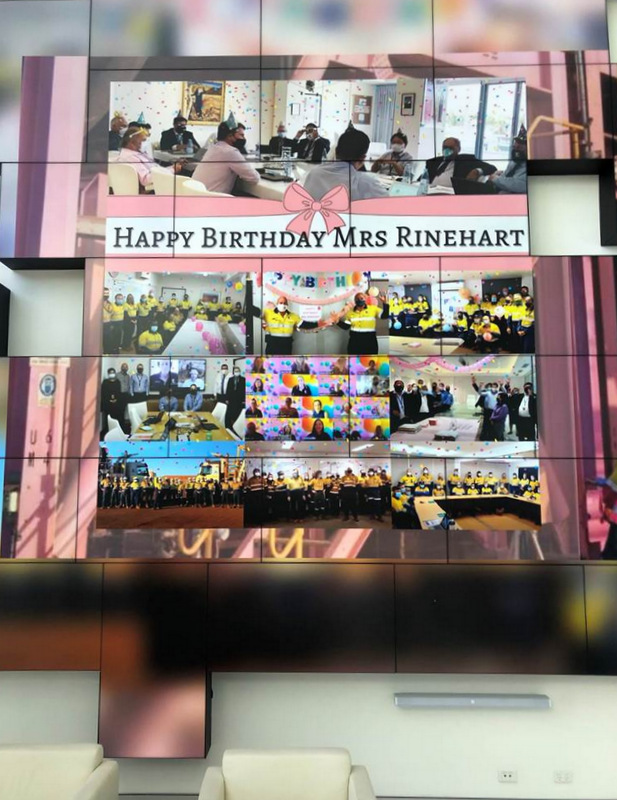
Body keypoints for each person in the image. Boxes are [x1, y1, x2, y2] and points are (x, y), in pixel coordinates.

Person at [303, 126, 388, 201]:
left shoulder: (314, 174)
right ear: (362, 158)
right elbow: (390, 206)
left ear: (336, 151)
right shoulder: (367, 183)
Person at [192, 121, 260, 195]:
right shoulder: (230, 151)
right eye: (241, 135)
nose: (243, 138)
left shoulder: (213, 148)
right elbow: (254, 178)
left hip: (196, 196)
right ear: (230, 136)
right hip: (211, 199)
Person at [116, 126, 182, 191]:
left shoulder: (133, 154)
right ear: (132, 142)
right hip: (151, 189)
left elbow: (154, 169)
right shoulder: (131, 157)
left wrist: (171, 168)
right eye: (143, 140)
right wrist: (172, 170)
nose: (145, 143)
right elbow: (145, 179)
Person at [422, 137, 497, 190]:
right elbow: (423, 178)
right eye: (445, 147)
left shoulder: (466, 160)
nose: (447, 150)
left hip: (451, 194)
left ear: (458, 149)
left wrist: (477, 171)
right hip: (430, 192)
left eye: (451, 148)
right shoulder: (433, 162)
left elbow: (492, 168)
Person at [485, 127, 527, 194]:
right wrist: (496, 176)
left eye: (521, 146)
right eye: (515, 144)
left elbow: (518, 185)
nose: (516, 146)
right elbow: (506, 176)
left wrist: (496, 179)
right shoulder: (514, 162)